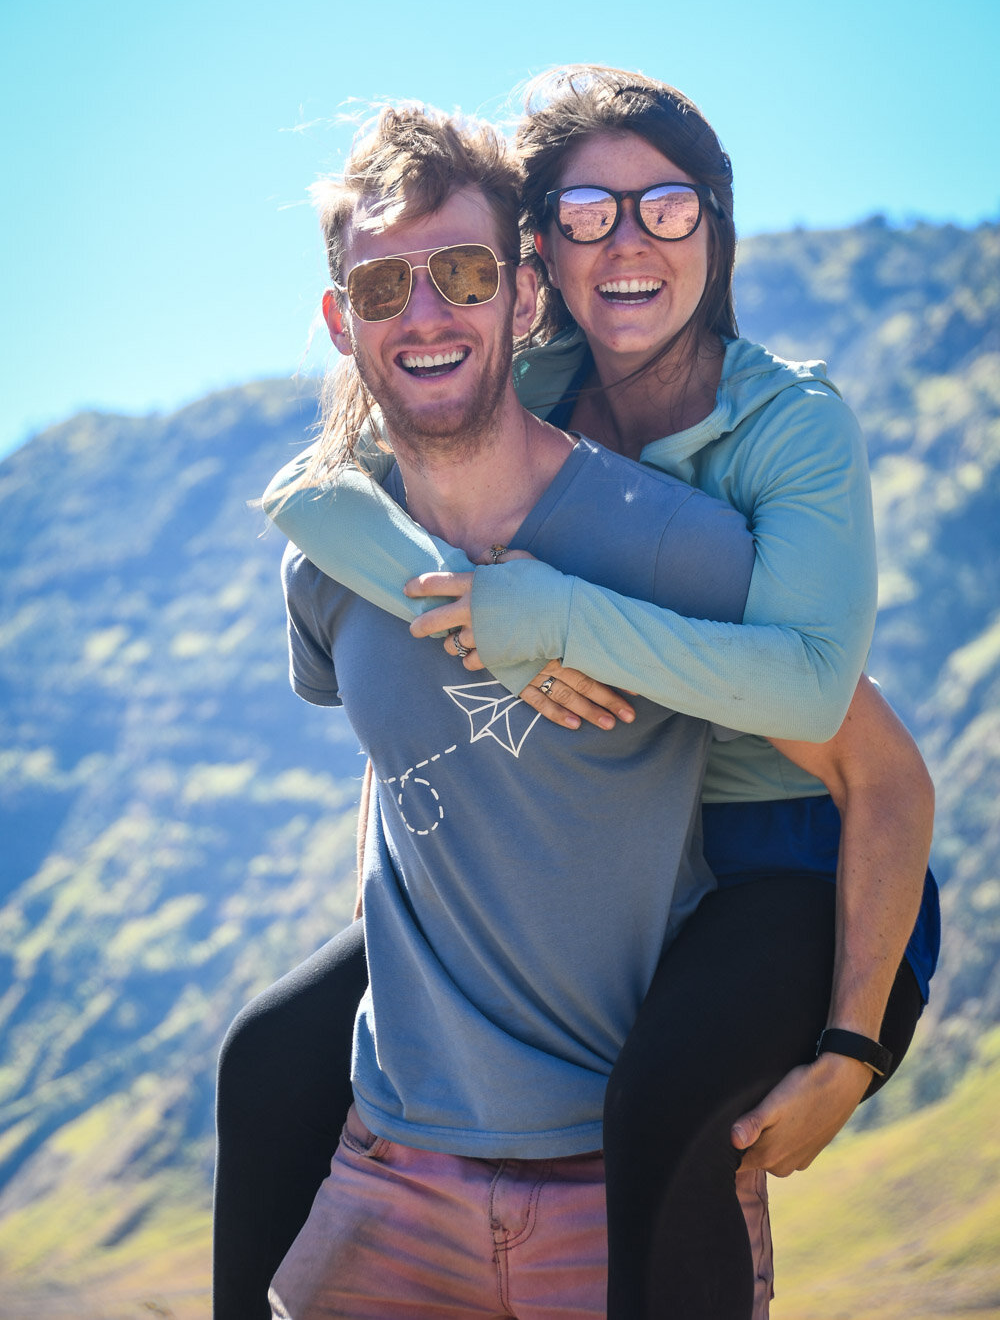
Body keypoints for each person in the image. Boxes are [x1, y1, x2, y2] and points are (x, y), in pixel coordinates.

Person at [216, 71, 937, 1317]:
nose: (629, 244)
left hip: (799, 855)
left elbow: (834, 711)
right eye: (587, 213)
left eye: (664, 207)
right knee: (271, 1055)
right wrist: (452, 599)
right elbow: (337, 489)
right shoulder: (523, 379)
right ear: (544, 254)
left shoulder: (779, 439)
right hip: (639, 842)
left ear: (715, 225)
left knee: (657, 1101)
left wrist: (558, 623)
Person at [267, 100, 762, 1318]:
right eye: (383, 289)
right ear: (343, 323)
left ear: (525, 296)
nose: (424, 315)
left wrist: (852, 1042)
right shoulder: (327, 569)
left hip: (631, 1177)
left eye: (463, 273)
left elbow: (850, 770)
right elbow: (404, 779)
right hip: (391, 1170)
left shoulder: (680, 552)